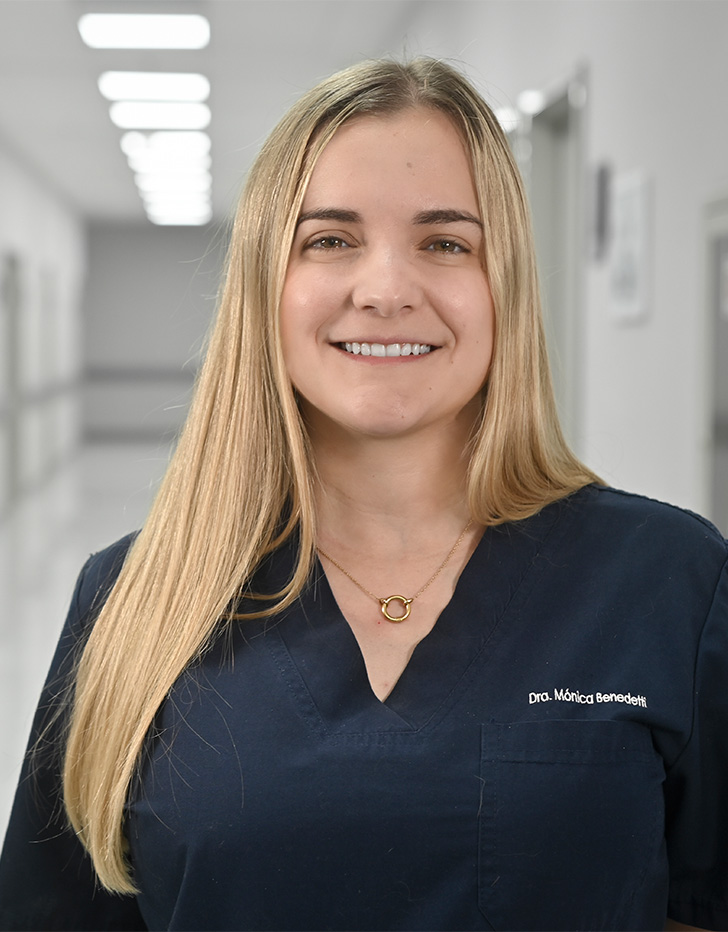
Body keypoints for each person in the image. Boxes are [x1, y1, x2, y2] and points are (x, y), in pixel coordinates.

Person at [0, 57, 726, 932]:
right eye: (330, 239)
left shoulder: (669, 584)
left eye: (446, 242)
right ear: (267, 286)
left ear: (508, 288)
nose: (386, 290)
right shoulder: (134, 599)